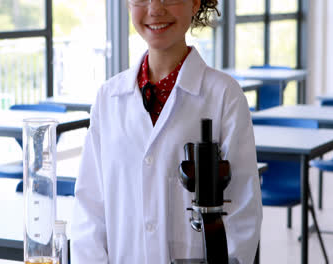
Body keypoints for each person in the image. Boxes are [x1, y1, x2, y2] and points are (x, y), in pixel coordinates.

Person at [71, 0, 262, 263]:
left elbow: (243, 212)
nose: (155, 9)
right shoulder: (108, 98)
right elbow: (89, 211)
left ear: (195, 3)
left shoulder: (224, 96)